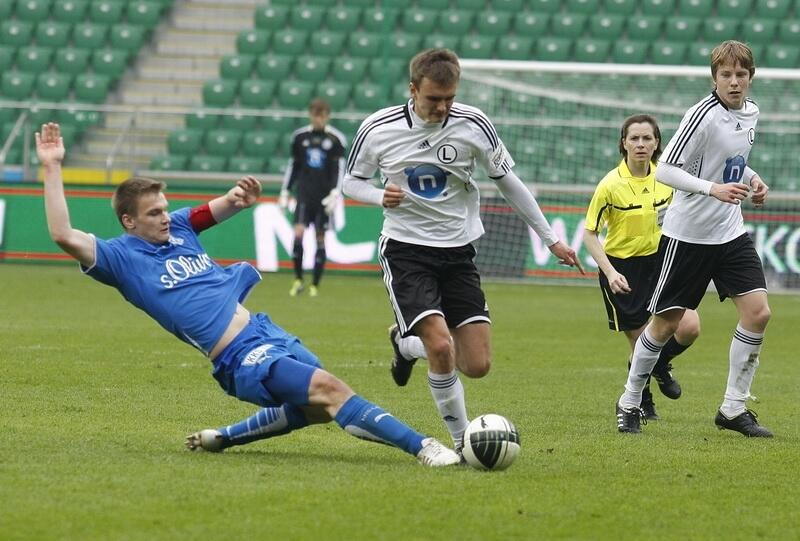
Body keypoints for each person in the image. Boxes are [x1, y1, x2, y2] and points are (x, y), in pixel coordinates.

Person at [38, 122, 459, 467]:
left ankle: (223, 437)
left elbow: (222, 205)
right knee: (330, 389)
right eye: (154, 213)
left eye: (165, 208)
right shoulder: (119, 258)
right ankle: (424, 447)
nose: (166, 217)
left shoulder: (182, 227)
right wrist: (52, 167)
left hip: (264, 332)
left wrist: (240, 198)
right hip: (237, 358)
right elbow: (62, 233)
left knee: (312, 408)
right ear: (129, 221)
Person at [342, 48, 584, 452]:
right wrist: (378, 194)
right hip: (406, 249)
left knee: (477, 365)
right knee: (440, 346)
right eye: (433, 98)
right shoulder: (377, 128)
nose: (442, 107)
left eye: (450, 98)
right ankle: (461, 443)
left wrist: (550, 238)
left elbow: (509, 181)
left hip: (458, 252)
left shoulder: (474, 124)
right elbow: (351, 181)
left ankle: (404, 343)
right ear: (413, 89)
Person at [615, 40, 773, 437]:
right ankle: (630, 399)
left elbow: (729, 160)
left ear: (751, 77)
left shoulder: (751, 112)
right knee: (666, 323)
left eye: (741, 75)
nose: (734, 82)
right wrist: (711, 189)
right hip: (688, 235)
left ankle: (733, 409)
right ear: (714, 78)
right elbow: (664, 169)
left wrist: (751, 178)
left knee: (759, 313)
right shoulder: (701, 114)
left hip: (730, 232)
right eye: (726, 75)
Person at [584, 114, 701, 422]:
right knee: (640, 344)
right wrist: (610, 272)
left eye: (646, 138)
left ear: (657, 143)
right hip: (624, 270)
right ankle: (640, 399)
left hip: (662, 262)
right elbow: (589, 234)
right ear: (623, 143)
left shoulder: (668, 177)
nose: (640, 144)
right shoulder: (610, 184)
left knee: (690, 327)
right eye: (634, 138)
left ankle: (661, 364)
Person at [278, 98, 346, 298]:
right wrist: (285, 190)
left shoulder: (335, 139)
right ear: (311, 115)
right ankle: (298, 279)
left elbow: (339, 169)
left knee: (320, 238)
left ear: (327, 116)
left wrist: (335, 193)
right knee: (298, 233)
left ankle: (315, 284)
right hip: (304, 195)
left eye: (322, 116)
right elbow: (294, 166)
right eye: (316, 115)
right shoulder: (300, 137)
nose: (319, 120)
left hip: (324, 198)